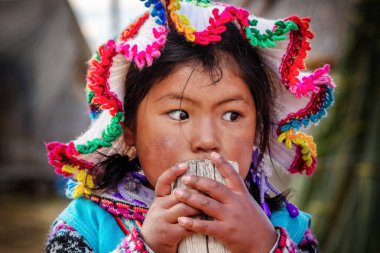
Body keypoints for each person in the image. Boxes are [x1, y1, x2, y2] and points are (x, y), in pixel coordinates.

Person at [45, 1, 335, 252]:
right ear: (129, 128)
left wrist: (264, 246)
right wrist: (145, 246)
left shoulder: (286, 229)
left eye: (232, 115)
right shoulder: (85, 228)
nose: (207, 140)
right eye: (180, 114)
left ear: (257, 127)